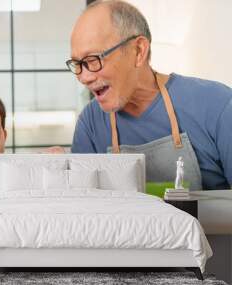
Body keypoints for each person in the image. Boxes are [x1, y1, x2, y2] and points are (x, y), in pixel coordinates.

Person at [50, 0, 232, 190]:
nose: (84, 77)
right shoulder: (91, 123)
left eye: (93, 59)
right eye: (77, 64)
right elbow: (85, 210)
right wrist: (62, 177)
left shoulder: (218, 105)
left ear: (138, 51)